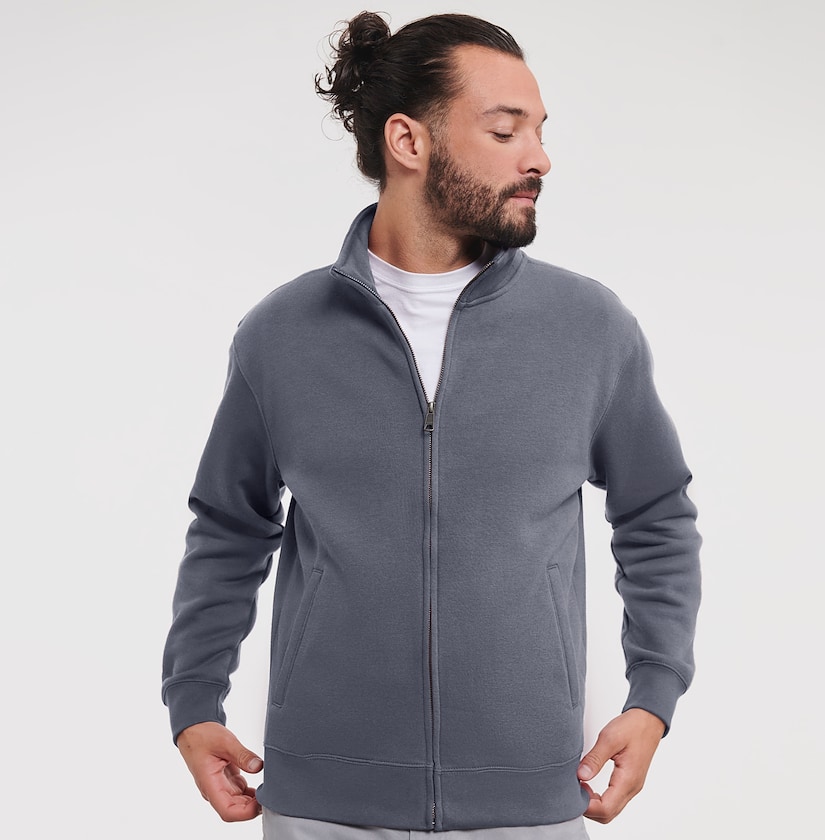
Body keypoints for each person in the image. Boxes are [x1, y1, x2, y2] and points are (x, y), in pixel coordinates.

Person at [162, 11, 702, 839]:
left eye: (541, 131)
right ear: (408, 141)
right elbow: (229, 527)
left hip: (528, 801)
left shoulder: (589, 329)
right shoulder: (282, 335)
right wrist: (194, 701)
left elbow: (656, 515)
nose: (539, 158)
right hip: (323, 805)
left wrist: (653, 695)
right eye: (506, 130)